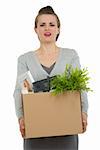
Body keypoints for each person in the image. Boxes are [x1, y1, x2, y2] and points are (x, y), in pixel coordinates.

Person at [13, 6, 88, 150]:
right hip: (36, 129)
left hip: (66, 128)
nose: (47, 28)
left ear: (58, 29)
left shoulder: (71, 55)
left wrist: (84, 112)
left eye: (52, 24)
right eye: (42, 25)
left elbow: (80, 87)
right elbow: (19, 91)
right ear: (35, 29)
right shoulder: (25, 59)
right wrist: (21, 117)